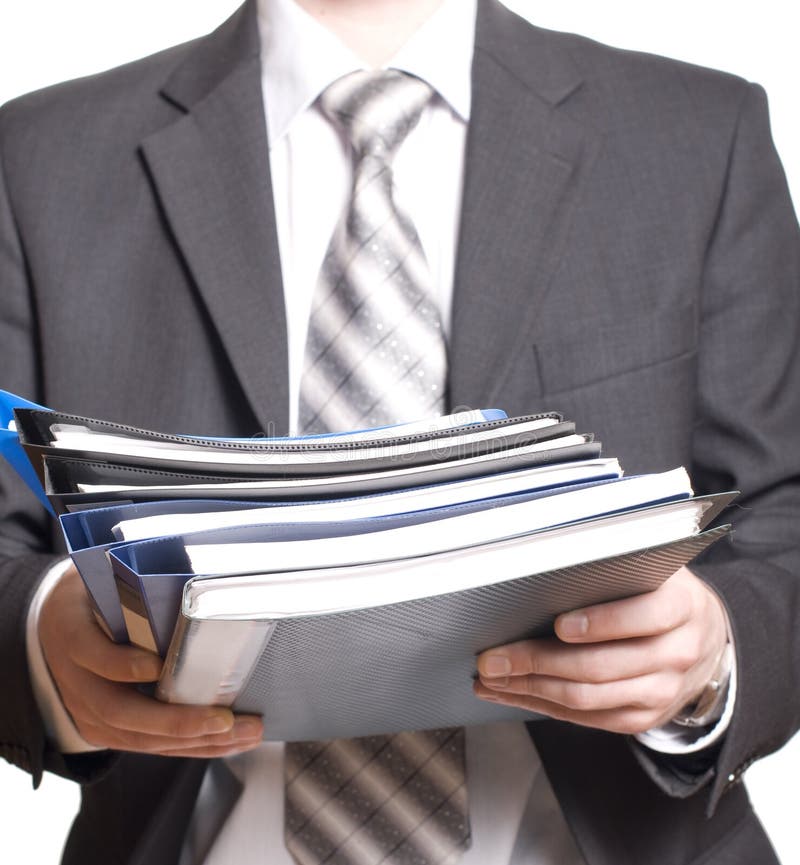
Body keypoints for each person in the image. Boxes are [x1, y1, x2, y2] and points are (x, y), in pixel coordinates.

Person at [1, 0, 798, 862]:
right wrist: (45, 642)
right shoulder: (41, 159)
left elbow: (782, 520)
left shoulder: (700, 135)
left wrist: (713, 650)